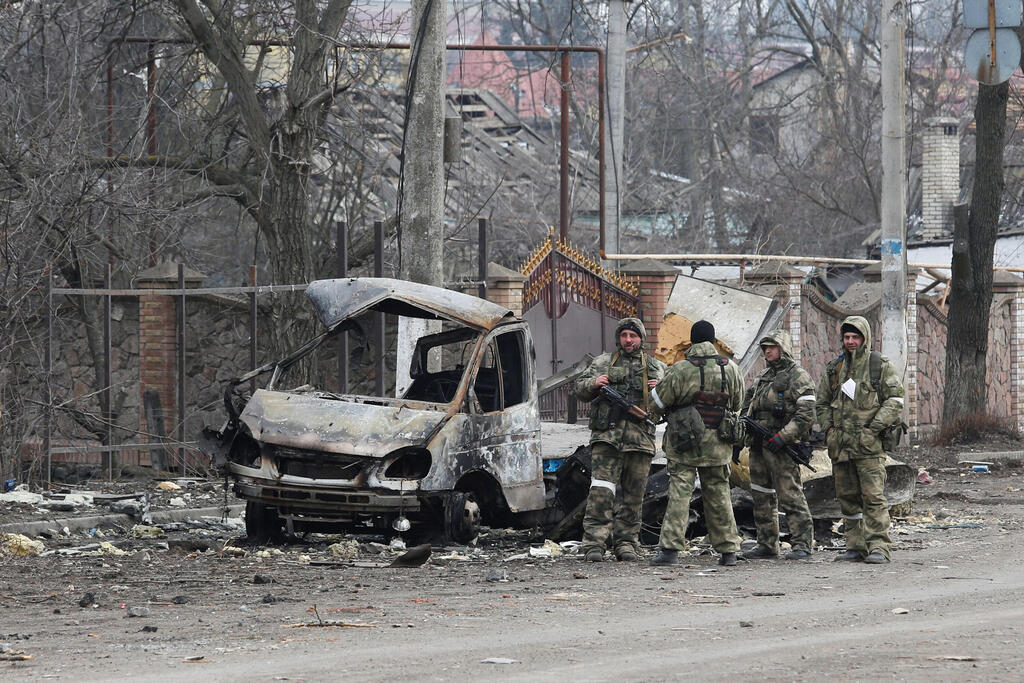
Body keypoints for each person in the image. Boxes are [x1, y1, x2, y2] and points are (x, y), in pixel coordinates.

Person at [649, 320, 745, 567]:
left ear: (692, 342)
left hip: (684, 443)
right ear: (713, 342)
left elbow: (658, 403)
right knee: (720, 494)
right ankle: (728, 552)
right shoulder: (731, 369)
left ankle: (670, 551)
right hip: (718, 444)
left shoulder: (681, 369)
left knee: (680, 493)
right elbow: (736, 404)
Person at [574, 317, 666, 562]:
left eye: (633, 336)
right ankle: (594, 544)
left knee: (634, 496)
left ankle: (626, 543)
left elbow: (670, 403)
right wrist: (594, 383)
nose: (628, 340)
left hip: (640, 441)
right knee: (601, 493)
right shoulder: (602, 362)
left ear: (641, 339)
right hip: (607, 440)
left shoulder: (656, 367)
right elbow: (579, 389)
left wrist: (662, 389)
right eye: (624, 335)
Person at [815, 315, 905, 564]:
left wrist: (873, 428)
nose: (851, 341)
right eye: (847, 337)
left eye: (855, 337)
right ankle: (855, 545)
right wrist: (829, 430)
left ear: (864, 338)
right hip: (841, 447)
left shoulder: (879, 365)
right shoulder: (835, 369)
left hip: (869, 446)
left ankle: (879, 546)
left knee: (873, 497)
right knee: (847, 499)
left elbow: (895, 400)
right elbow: (821, 401)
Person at [740, 329, 815, 561]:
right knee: (761, 494)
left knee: (790, 494)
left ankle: (802, 544)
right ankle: (767, 543)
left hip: (782, 446)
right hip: (759, 445)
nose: (767, 351)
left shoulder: (798, 376)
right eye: (765, 348)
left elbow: (807, 413)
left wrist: (783, 437)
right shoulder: (764, 376)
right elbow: (747, 406)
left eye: (772, 346)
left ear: (783, 348)